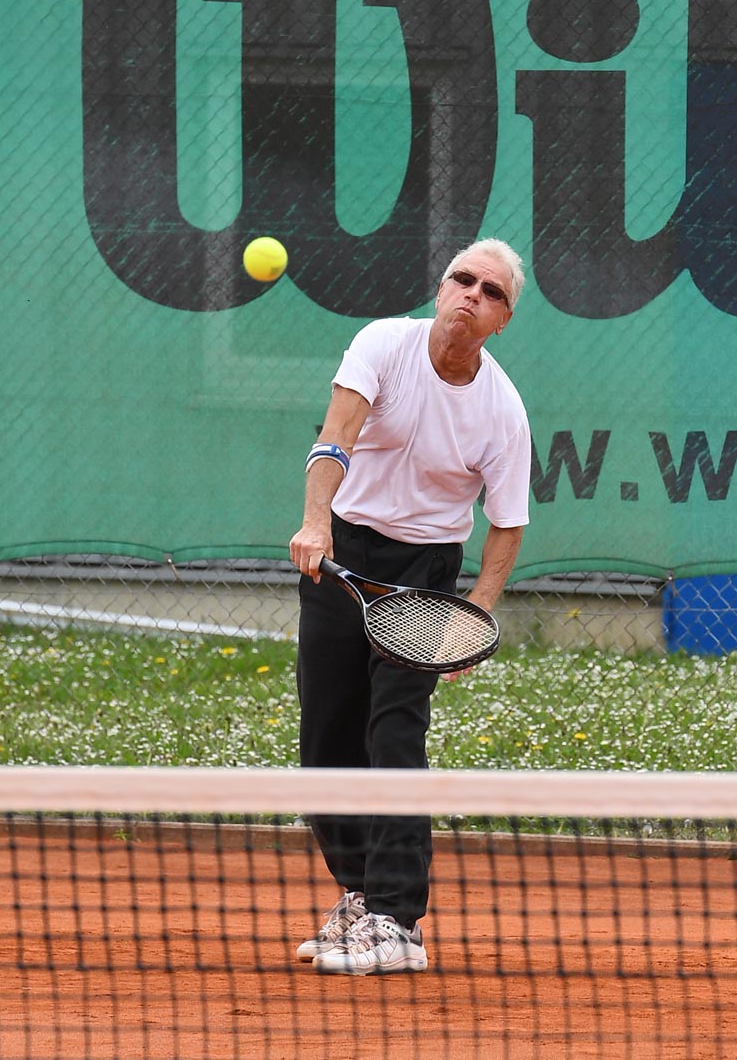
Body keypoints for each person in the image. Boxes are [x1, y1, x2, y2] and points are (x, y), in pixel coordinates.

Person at [288, 237, 531, 975]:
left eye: (492, 292)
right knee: (325, 740)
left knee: (394, 733)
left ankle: (398, 922)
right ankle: (361, 892)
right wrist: (316, 523)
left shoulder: (502, 410)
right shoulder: (382, 346)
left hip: (424, 575)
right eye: (464, 280)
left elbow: (507, 523)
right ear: (440, 288)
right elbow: (336, 435)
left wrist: (472, 614)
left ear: (501, 321)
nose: (473, 295)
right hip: (341, 554)